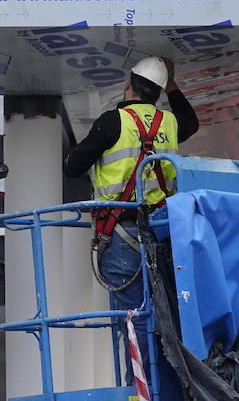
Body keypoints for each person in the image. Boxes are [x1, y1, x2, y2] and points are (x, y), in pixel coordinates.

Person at [63, 56, 200, 313]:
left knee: (132, 317)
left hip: (120, 231)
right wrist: (171, 85)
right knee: (164, 314)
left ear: (129, 86)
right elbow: (191, 121)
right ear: (158, 93)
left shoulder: (113, 121)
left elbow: (72, 167)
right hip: (162, 230)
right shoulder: (170, 123)